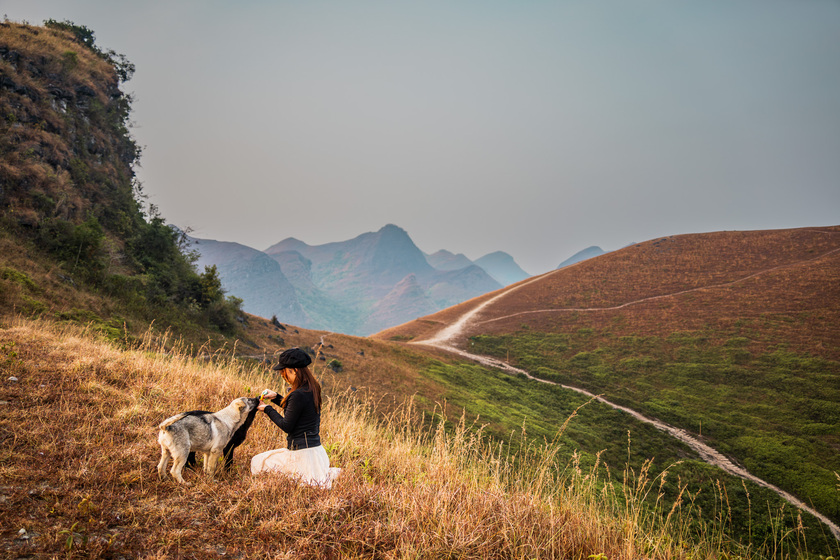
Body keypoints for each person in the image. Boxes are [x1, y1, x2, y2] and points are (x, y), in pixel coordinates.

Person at [251, 347, 340, 488]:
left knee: (257, 462)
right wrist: (276, 397)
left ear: (295, 370)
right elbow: (297, 410)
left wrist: (267, 409)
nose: (283, 375)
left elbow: (287, 425)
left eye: (284, 372)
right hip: (316, 453)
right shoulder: (312, 387)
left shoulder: (297, 394)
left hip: (301, 454)